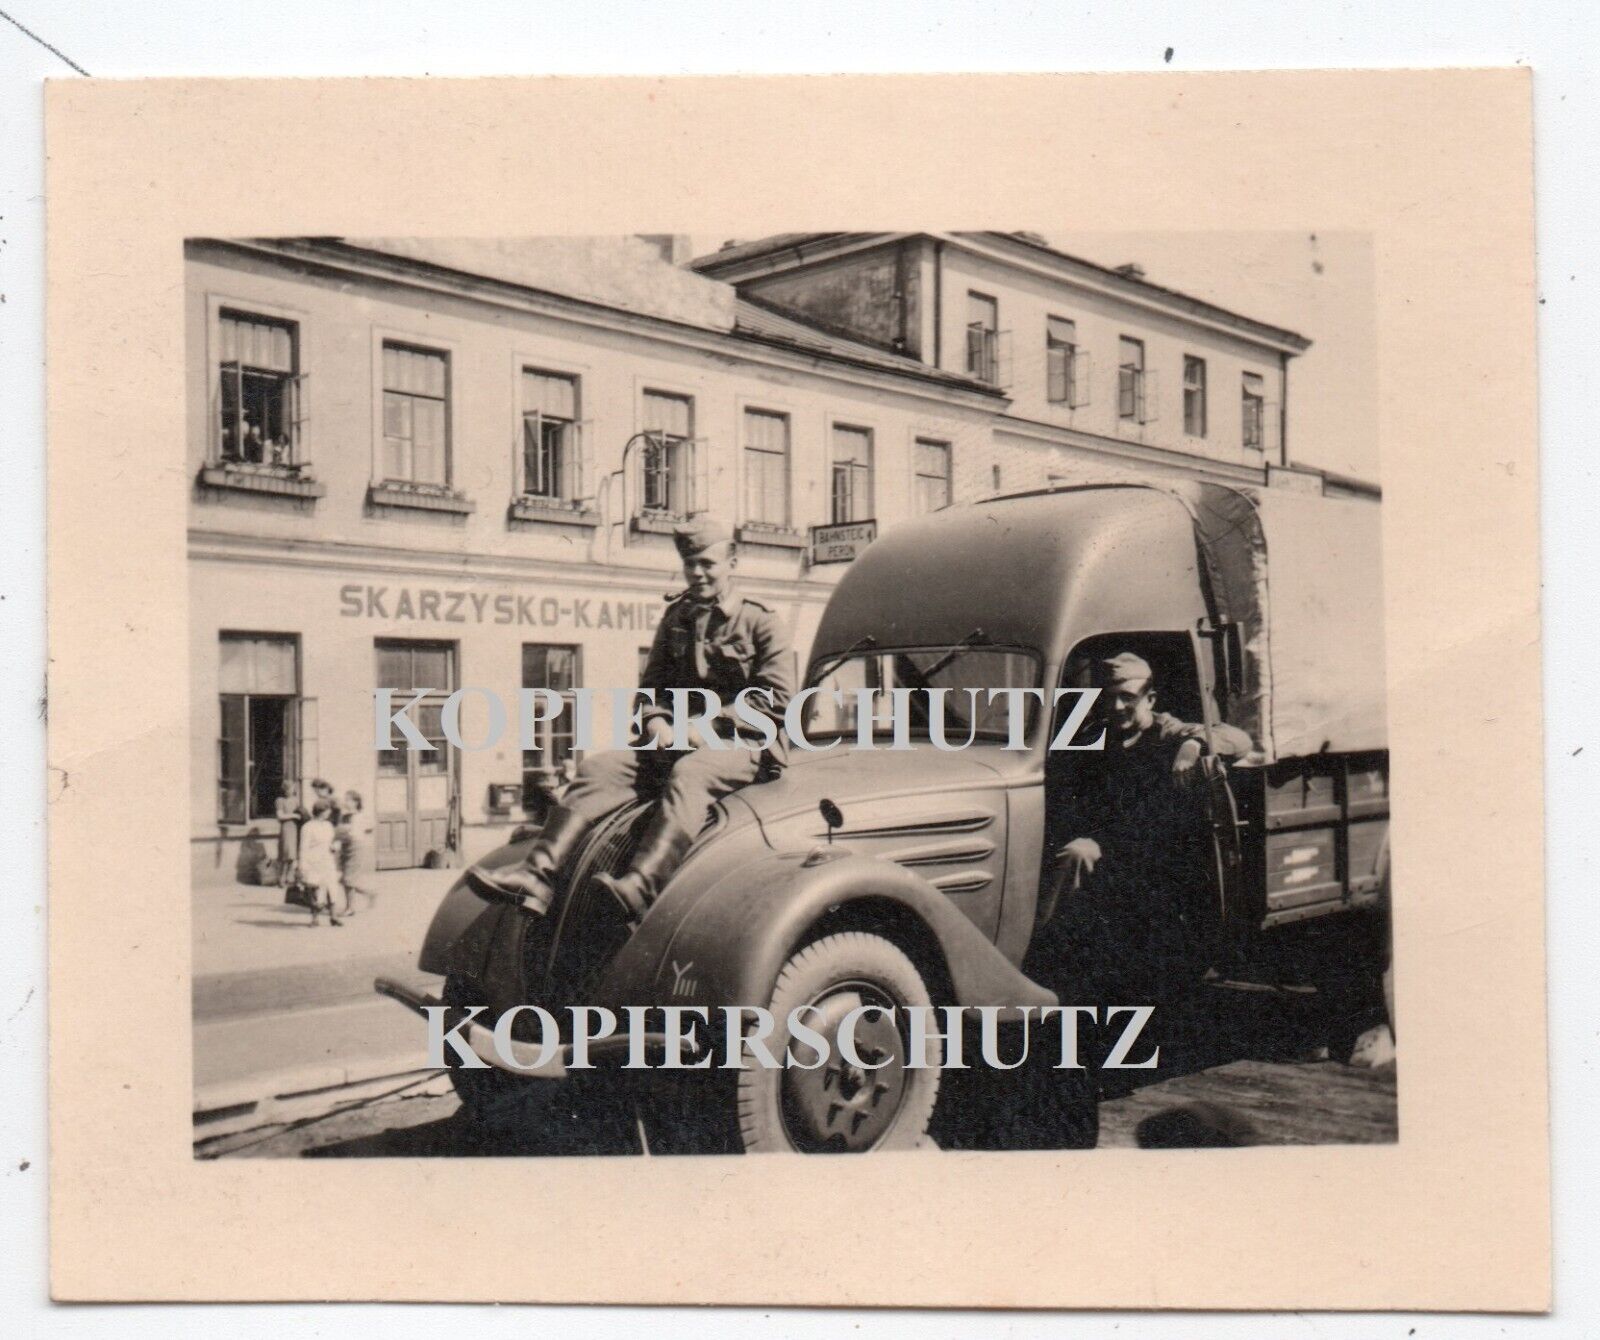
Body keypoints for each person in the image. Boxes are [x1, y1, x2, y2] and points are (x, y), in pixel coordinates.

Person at [466, 517, 795, 925]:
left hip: (746, 746)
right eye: (689, 564)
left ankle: (640, 886)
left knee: (690, 774)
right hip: (678, 740)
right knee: (598, 769)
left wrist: (705, 727)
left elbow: (776, 699)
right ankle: (536, 876)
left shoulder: (761, 621)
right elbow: (651, 690)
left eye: (707, 564)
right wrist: (655, 721)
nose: (697, 572)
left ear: (732, 563)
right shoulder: (677, 618)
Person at [1044, 651, 1253, 1002]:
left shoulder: (1167, 731)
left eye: (1128, 697)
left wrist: (1193, 745)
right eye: (1109, 697)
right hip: (1111, 851)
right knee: (1076, 853)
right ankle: (1046, 961)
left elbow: (1239, 739)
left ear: (1150, 699)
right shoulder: (1097, 736)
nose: (1117, 706)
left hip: (1157, 860)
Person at [297, 799, 344, 927]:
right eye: (327, 811)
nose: (329, 813)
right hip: (313, 861)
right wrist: (302, 865)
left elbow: (332, 842)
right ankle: (315, 918)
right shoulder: (308, 827)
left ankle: (333, 917)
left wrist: (335, 846)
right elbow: (303, 847)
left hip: (327, 860)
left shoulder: (328, 825)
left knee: (332, 887)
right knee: (314, 890)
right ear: (321, 811)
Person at [338, 790, 376, 916]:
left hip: (356, 848)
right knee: (345, 879)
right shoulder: (344, 816)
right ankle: (369, 894)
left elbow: (370, 827)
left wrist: (358, 836)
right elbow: (341, 832)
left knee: (348, 879)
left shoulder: (361, 816)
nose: (346, 802)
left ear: (356, 802)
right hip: (345, 847)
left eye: (348, 800)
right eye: (345, 799)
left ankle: (350, 908)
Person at [273, 780, 302, 888]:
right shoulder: (280, 801)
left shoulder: (295, 800)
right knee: (286, 855)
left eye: (292, 788)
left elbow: (300, 813)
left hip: (295, 828)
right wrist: (294, 816)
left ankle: (289, 878)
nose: (291, 790)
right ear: (284, 790)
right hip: (286, 828)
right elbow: (280, 816)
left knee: (293, 856)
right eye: (289, 788)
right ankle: (281, 878)